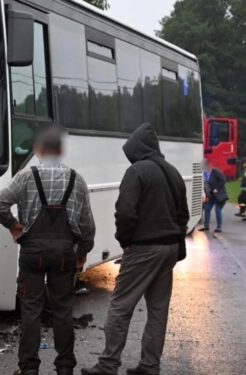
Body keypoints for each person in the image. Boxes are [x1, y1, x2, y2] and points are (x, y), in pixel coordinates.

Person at [82, 124, 189, 375]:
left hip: (144, 248)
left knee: (120, 306)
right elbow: (183, 214)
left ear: (137, 149)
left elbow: (125, 212)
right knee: (158, 310)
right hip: (170, 248)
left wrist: (124, 240)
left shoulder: (137, 171)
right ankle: (150, 366)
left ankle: (108, 365)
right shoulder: (173, 172)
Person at [0, 126, 95, 375]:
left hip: (32, 253)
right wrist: (82, 251)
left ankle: (28, 369)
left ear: (39, 150)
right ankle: (65, 367)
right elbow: (87, 225)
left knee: (31, 311)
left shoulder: (27, 177)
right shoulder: (76, 179)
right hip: (63, 255)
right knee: (63, 311)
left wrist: (13, 225)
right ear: (60, 151)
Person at [200, 160, 228, 233]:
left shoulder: (215, 171)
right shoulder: (204, 174)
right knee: (207, 209)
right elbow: (205, 186)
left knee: (217, 210)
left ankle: (219, 227)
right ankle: (206, 227)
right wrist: (207, 196)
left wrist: (217, 189)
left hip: (219, 195)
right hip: (211, 196)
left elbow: (223, 180)